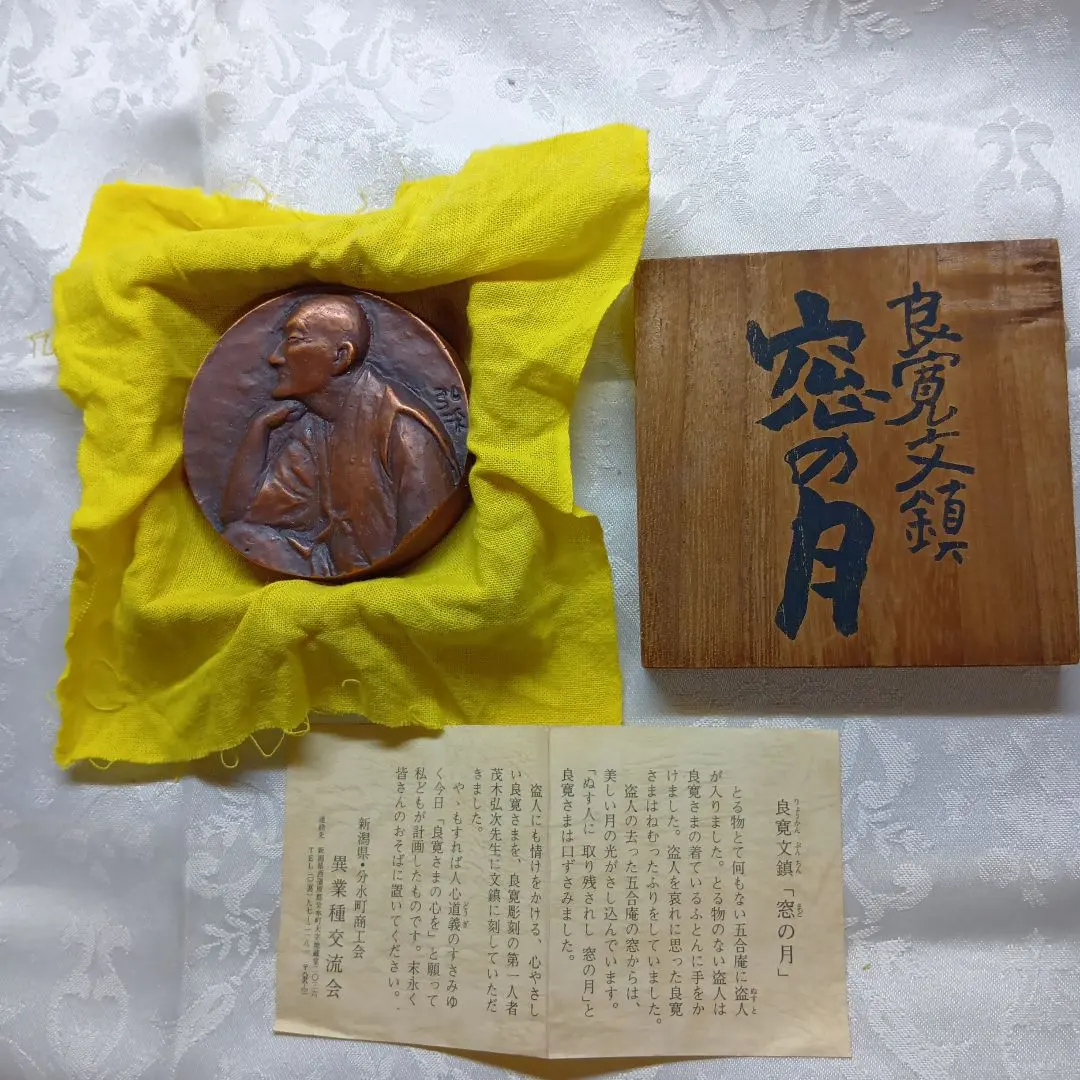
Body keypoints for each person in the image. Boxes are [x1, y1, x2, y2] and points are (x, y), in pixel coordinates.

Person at [220, 294, 460, 578]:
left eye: (294, 340)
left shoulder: (401, 428)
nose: (276, 357)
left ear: (340, 357)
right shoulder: (315, 428)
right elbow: (242, 519)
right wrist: (257, 432)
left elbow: (418, 536)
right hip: (335, 567)